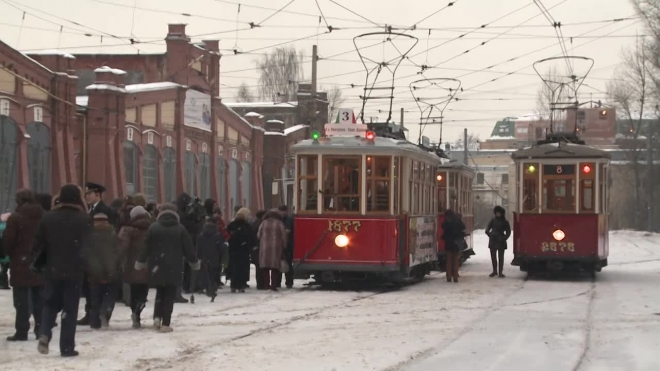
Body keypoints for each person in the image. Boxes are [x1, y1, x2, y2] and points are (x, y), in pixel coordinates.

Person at [32, 184, 91, 357]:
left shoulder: (48, 218)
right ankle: (66, 347)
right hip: (75, 270)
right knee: (70, 309)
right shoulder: (84, 219)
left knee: (50, 304)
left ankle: (44, 332)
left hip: (53, 269)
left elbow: (38, 244)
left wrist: (39, 262)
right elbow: (90, 246)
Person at [135, 203, 199, 333]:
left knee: (160, 292)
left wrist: (140, 261)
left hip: (156, 265)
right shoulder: (180, 228)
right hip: (174, 266)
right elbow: (189, 248)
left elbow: (145, 247)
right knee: (170, 294)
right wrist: (194, 262)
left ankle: (157, 317)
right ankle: (166, 323)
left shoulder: (153, 227)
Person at [3, 190, 45, 341]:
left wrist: (4, 253)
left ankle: (21, 331)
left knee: (21, 300)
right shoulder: (44, 216)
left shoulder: (15, 218)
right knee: (40, 298)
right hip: (40, 261)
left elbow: (8, 241)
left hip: (20, 262)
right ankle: (41, 329)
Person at [78, 182, 116, 326]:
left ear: (97, 194)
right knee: (90, 287)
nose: (87, 197)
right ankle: (91, 313)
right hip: (91, 253)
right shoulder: (89, 209)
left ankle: (97, 314)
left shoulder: (105, 210)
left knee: (99, 287)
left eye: (89, 194)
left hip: (101, 254)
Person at [118, 206, 152, 328]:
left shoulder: (129, 229)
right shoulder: (151, 228)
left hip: (132, 264)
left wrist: (119, 260)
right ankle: (139, 308)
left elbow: (123, 247)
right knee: (143, 290)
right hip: (147, 264)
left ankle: (134, 311)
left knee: (134, 290)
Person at [85, 213, 120, 329]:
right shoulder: (113, 234)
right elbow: (118, 252)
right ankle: (105, 311)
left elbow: (87, 254)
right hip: (111, 269)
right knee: (110, 295)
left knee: (95, 297)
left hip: (94, 271)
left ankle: (95, 322)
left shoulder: (89, 235)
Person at [257, 209, 287, 291]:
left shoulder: (263, 223)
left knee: (265, 267)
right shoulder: (279, 223)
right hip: (276, 247)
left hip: (264, 247)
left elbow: (258, 235)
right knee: (275, 267)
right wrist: (284, 245)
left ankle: (267, 285)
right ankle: (273, 285)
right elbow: (283, 236)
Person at [226, 208, 255, 293]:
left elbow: (227, 236)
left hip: (233, 251)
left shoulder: (231, 225)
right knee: (243, 269)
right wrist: (249, 246)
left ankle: (234, 284)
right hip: (243, 251)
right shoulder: (247, 226)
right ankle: (241, 284)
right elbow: (251, 237)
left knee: (234, 268)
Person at [196, 217, 225, 298]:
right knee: (214, 273)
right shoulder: (217, 235)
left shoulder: (200, 236)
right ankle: (212, 287)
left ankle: (205, 287)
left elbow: (198, 248)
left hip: (204, 258)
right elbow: (221, 247)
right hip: (215, 257)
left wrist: (198, 256)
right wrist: (221, 255)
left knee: (205, 273)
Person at [485, 206, 511, 278]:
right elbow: (487, 229)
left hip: (500, 240)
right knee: (493, 257)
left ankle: (500, 272)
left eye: (499, 213)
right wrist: (490, 235)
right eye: (497, 213)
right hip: (493, 240)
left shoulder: (505, 221)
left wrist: (504, 238)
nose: (498, 214)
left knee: (501, 257)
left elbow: (508, 231)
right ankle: (494, 271)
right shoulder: (493, 220)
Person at [441, 209, 466, 283]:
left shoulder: (446, 222)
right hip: (456, 243)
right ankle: (455, 277)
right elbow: (463, 227)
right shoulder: (457, 220)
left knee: (448, 260)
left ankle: (448, 277)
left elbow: (442, 227)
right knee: (455, 260)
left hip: (448, 243)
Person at [277, 205, 294, 288]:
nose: (282, 213)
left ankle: (288, 282)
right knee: (280, 263)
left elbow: (288, 231)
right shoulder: (285, 219)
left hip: (288, 245)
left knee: (287, 264)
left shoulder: (289, 219)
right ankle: (280, 282)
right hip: (283, 244)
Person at [251, 210, 266, 290]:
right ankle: (261, 283)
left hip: (256, 247)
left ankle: (260, 283)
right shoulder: (259, 224)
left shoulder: (255, 223)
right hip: (259, 247)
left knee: (259, 266)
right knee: (260, 266)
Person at [0, 212, 10, 290]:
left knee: (3, 269)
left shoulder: (1, 227)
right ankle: (5, 283)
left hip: (2, 252)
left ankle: (3, 283)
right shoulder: (10, 227)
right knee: (6, 269)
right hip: (9, 252)